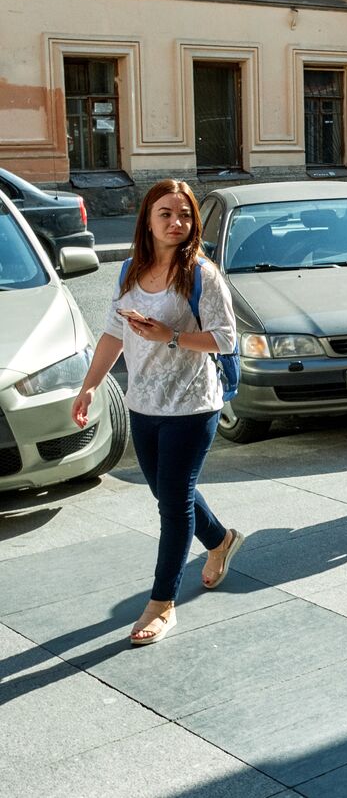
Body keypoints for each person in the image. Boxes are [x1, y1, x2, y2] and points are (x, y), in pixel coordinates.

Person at [71, 180, 243, 646]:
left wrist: (170, 335)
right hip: (143, 404)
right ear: (148, 219)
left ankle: (162, 602)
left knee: (173, 502)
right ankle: (221, 540)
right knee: (169, 494)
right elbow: (112, 334)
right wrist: (88, 388)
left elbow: (226, 339)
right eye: (165, 213)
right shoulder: (129, 270)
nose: (176, 222)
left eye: (184, 215)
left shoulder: (201, 274)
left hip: (191, 403)